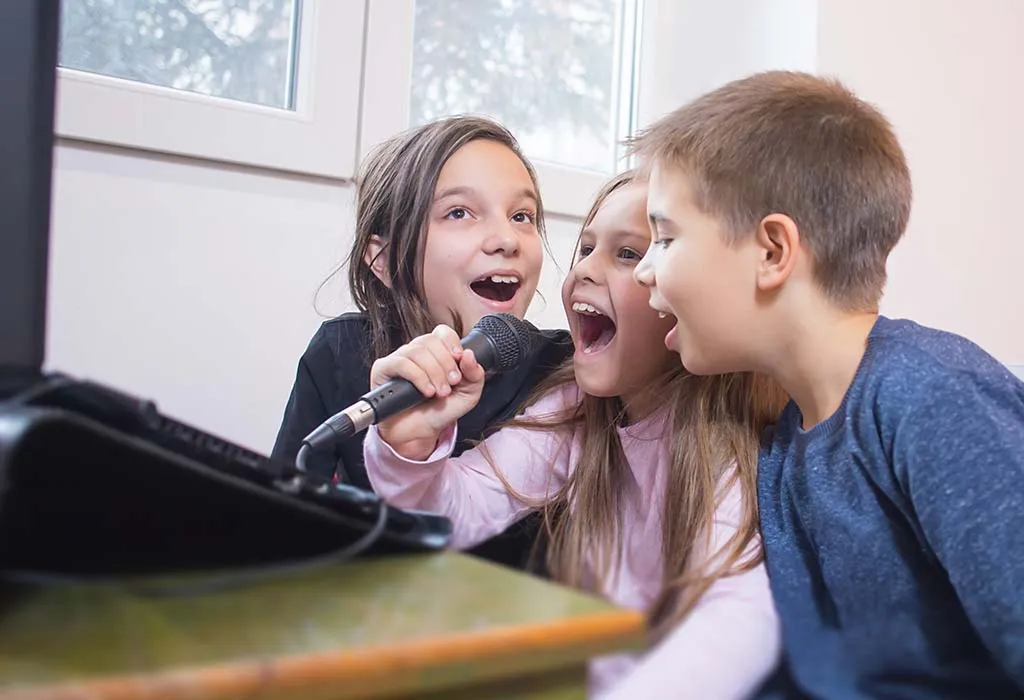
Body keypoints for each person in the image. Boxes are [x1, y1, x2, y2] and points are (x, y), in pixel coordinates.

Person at [631, 70, 1024, 698]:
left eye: (666, 237)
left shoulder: (929, 397)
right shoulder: (785, 447)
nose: (644, 272)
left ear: (772, 251)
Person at [364, 170, 788, 698]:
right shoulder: (577, 409)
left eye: (628, 254)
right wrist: (409, 447)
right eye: (585, 247)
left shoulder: (722, 442)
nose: (584, 269)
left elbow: (738, 623)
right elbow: (456, 511)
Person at [272, 115, 572, 569]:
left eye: (521, 216)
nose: (506, 239)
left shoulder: (564, 371)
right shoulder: (338, 352)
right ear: (384, 259)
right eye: (459, 213)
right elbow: (284, 525)